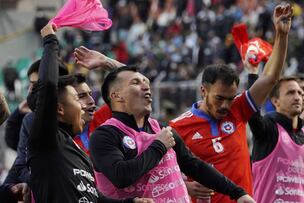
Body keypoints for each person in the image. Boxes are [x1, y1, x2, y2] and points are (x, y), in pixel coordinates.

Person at [169, 3, 292, 202]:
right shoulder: (178, 127)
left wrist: (281, 34)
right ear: (203, 91)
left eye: (230, 98)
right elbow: (161, 174)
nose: (226, 105)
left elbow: (270, 78)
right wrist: (186, 186)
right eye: (219, 98)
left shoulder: (239, 108)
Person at [89, 66, 256, 203]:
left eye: (146, 82)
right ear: (116, 95)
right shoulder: (105, 135)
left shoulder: (161, 130)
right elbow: (121, 176)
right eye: (136, 83)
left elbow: (194, 166)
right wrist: (159, 146)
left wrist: (238, 193)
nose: (147, 86)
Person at [28, 23, 152, 203]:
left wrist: (129, 202)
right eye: (77, 98)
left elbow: (95, 197)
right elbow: (48, 88)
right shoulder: (47, 140)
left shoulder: (78, 152)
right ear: (59, 108)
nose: (86, 104)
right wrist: (50, 41)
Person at [249, 77, 304, 203]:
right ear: (275, 101)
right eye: (290, 92)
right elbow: (253, 112)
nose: (298, 97)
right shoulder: (268, 130)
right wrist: (253, 74)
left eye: (300, 93)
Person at [4, 59, 68, 151]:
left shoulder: (76, 117)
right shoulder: (31, 118)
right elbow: (14, 143)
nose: (30, 90)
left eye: (35, 84)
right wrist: (17, 113)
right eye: (30, 84)